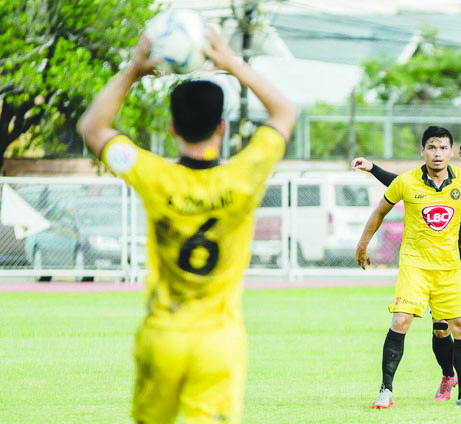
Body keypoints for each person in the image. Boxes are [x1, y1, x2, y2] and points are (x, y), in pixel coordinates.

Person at [77, 27, 297, 424]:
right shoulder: (243, 177)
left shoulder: (153, 175)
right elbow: (285, 111)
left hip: (161, 337)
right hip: (218, 343)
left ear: (172, 128)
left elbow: (93, 129)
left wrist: (132, 71)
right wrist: (232, 63)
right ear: (222, 127)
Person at [351, 133, 461, 404]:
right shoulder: (428, 179)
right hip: (439, 268)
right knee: (437, 329)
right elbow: (401, 185)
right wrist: (372, 169)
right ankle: (443, 376)